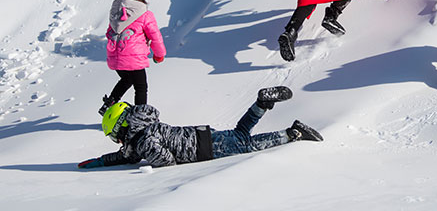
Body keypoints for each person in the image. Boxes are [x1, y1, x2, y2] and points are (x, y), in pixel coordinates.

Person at [78, 86, 323, 169]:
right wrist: (97, 161)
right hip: (201, 135)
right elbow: (125, 158)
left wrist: (152, 158)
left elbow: (166, 161)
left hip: (203, 149)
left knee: (246, 145)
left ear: (121, 129)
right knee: (240, 134)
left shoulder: (143, 142)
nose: (118, 142)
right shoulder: (146, 129)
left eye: (115, 137)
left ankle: (293, 133)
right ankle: (262, 103)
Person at [98, 0, 166, 115]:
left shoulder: (115, 12)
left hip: (115, 58)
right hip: (134, 59)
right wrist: (159, 55)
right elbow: (155, 36)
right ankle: (141, 117)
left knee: (126, 79)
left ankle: (109, 103)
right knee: (141, 87)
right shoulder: (145, 14)